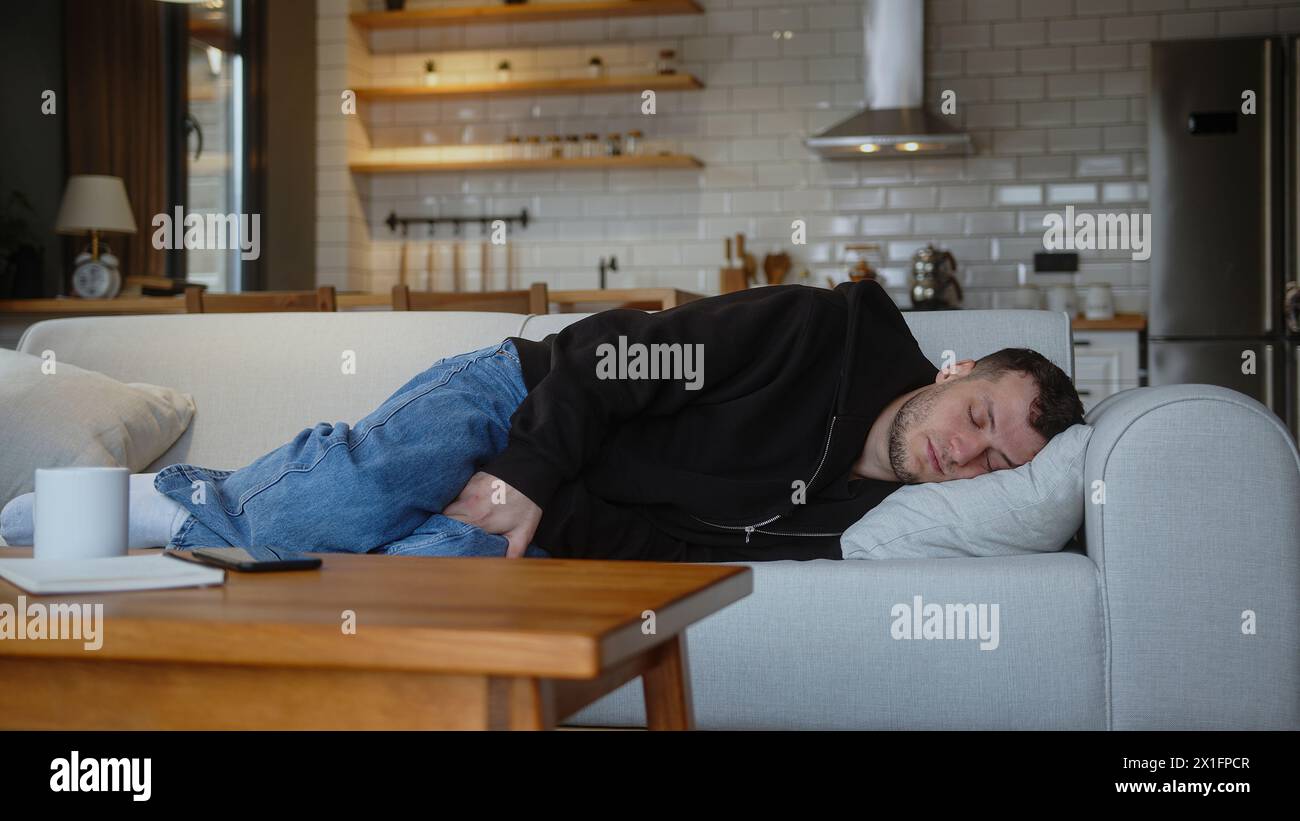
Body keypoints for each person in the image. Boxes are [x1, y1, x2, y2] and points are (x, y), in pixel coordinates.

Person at [0, 280, 1084, 562]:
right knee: (336, 503)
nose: (966, 450)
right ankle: (161, 500)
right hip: (518, 394)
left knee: (384, 573)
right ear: (955, 368)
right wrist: (524, 470)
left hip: (550, 510)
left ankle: (212, 509)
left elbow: (664, 539)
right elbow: (615, 352)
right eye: (979, 412)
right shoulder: (813, 333)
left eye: (994, 461)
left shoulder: (856, 519)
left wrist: (535, 524)